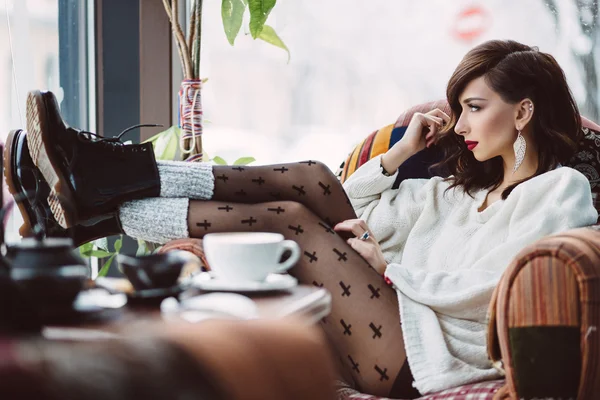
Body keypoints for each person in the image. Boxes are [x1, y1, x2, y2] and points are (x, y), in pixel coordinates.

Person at [8, 39, 598, 398]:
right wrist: (400, 152)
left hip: (428, 362)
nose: (462, 126)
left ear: (523, 111)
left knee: (292, 219)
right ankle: (97, 199)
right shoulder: (455, 190)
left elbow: (498, 288)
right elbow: (351, 201)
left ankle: (96, 202)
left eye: (474, 109)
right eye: (460, 110)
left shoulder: (559, 192)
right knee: (312, 179)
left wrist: (390, 269)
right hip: (386, 332)